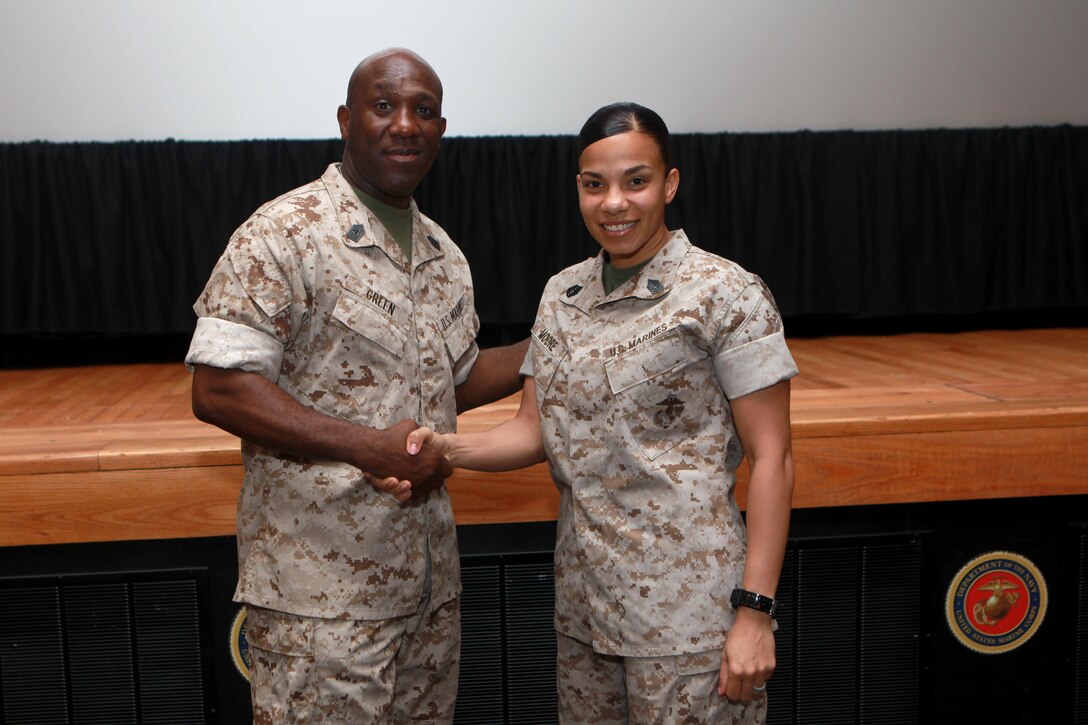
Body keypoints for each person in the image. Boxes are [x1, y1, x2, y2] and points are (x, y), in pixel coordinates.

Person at [395, 102, 797, 724]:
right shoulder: (564, 294)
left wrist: (755, 612)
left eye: (636, 181)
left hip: (689, 620)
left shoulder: (726, 294)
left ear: (669, 184)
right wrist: (445, 449)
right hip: (585, 611)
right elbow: (533, 429)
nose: (614, 202)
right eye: (594, 185)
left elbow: (774, 458)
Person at [185, 48, 527, 723]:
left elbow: (455, 380)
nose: (405, 124)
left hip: (428, 597)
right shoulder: (284, 233)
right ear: (346, 119)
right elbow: (219, 389)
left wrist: (557, 343)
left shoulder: (443, 254)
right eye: (384, 106)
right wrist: (367, 445)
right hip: (322, 604)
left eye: (423, 111)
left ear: (442, 129)